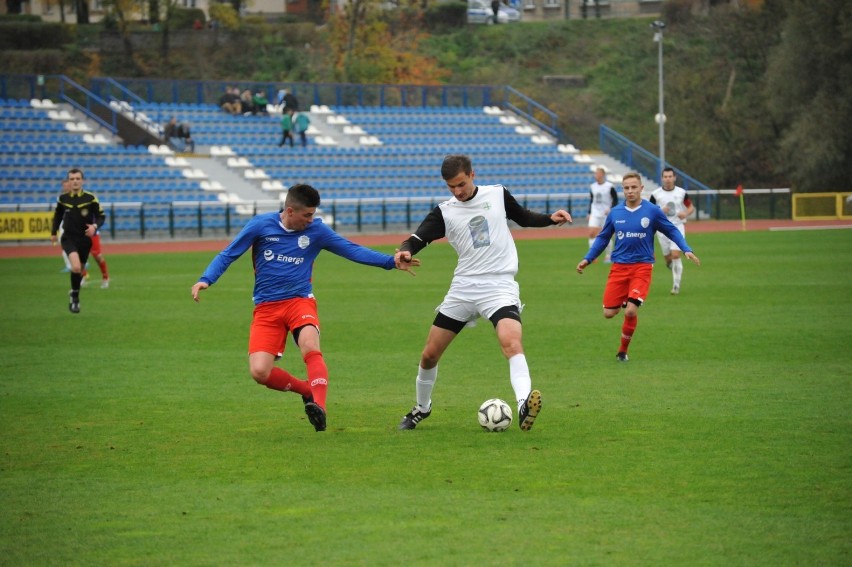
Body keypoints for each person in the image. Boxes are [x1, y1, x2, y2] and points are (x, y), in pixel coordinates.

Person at [191, 184, 420, 432]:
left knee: (310, 345)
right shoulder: (260, 225)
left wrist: (390, 262)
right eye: (307, 215)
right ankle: (306, 390)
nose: (311, 220)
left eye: (313, 214)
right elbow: (228, 254)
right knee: (259, 372)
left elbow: (351, 249)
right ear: (290, 211)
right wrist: (206, 278)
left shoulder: (316, 230)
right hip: (266, 308)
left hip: (299, 301)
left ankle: (319, 406)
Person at [393, 154, 573, 432]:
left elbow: (522, 217)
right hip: (464, 287)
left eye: (461, 184)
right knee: (429, 355)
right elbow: (418, 238)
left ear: (473, 175)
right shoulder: (445, 211)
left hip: (499, 286)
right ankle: (421, 408)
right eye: (451, 186)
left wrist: (550, 218)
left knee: (511, 341)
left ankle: (525, 403)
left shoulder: (497, 194)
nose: (457, 191)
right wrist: (406, 249)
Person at [576, 172, 700, 362]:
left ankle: (622, 351)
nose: (630, 191)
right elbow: (603, 238)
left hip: (642, 267)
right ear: (623, 190)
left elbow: (671, 230)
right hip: (619, 268)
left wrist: (686, 248)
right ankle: (628, 299)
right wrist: (588, 258)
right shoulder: (616, 213)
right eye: (626, 188)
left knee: (631, 311)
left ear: (641, 188)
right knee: (608, 313)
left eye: (634, 187)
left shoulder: (652, 211)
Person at [50, 168, 106, 314]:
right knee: (75, 267)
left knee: (80, 269)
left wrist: (94, 226)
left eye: (77, 179)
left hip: (84, 240)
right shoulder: (63, 199)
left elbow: (101, 217)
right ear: (68, 181)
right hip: (69, 238)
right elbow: (57, 216)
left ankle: (74, 293)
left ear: (82, 181)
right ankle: (75, 297)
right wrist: (53, 232)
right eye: (72, 179)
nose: (74, 181)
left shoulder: (90, 198)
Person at [649, 167, 696, 295]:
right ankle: (672, 267)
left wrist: (685, 213)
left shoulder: (681, 192)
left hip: (677, 227)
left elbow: (691, 207)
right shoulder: (655, 194)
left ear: (674, 178)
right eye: (665, 176)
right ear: (662, 178)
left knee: (676, 255)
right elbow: (648, 212)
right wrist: (659, 211)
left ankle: (676, 286)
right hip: (662, 229)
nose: (668, 179)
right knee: (668, 259)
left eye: (670, 176)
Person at [588, 166, 618, 262]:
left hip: (606, 214)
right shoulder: (592, 186)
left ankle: (608, 255)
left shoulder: (609, 186)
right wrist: (589, 212)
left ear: (603, 175)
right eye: (595, 173)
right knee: (591, 233)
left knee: (606, 234)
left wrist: (611, 209)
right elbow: (592, 200)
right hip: (595, 213)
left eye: (597, 173)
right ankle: (593, 256)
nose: (595, 175)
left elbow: (615, 199)